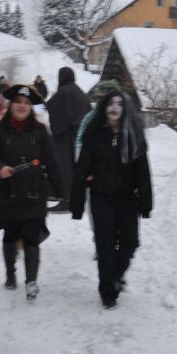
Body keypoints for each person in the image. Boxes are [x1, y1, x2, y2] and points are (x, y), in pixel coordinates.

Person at [0, 84, 63, 301]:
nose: (22, 106)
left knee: (32, 237)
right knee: (10, 235)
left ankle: (31, 281)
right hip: (9, 192)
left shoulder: (40, 130)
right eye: (18, 102)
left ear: (31, 107)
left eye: (26, 103)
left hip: (35, 191)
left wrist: (60, 189)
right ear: (10, 105)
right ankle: (10, 273)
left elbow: (52, 161)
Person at [70, 90, 152, 309]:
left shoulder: (133, 136)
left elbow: (143, 171)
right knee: (105, 245)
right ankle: (107, 290)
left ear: (125, 110)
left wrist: (146, 203)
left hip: (127, 199)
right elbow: (82, 169)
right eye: (111, 103)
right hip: (101, 197)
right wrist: (76, 202)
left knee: (130, 242)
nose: (115, 107)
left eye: (120, 104)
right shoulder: (94, 134)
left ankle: (115, 274)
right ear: (104, 107)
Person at [46, 66, 91, 212]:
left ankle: (67, 201)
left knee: (64, 167)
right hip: (81, 134)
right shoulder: (81, 92)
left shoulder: (63, 92)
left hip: (66, 134)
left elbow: (51, 104)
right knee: (77, 167)